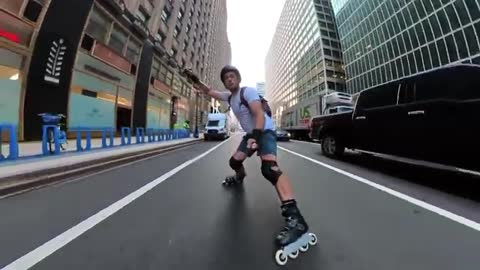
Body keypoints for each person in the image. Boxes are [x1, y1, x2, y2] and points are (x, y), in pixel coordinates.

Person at [189, 65, 311, 248]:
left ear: (238, 78)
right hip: (250, 134)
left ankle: (296, 218)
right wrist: (195, 80)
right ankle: (240, 176)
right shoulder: (229, 97)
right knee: (234, 161)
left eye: (232, 76)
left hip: (265, 131)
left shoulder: (249, 92)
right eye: (226, 78)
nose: (230, 80)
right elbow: (209, 91)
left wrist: (255, 137)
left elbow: (259, 115)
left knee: (269, 169)